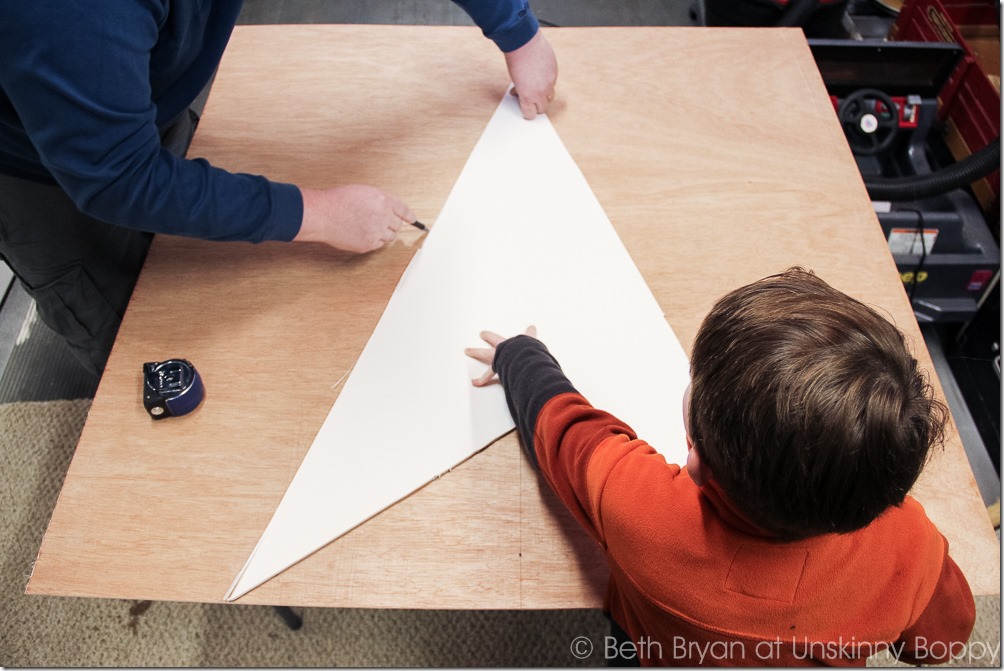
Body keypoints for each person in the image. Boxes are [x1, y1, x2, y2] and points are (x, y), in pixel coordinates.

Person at [0, 0, 557, 376]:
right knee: (140, 345)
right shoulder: (67, 13)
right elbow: (118, 177)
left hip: (135, 102)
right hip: (39, 175)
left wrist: (517, 30)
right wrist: (317, 213)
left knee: (189, 257)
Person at [465, 268, 975, 666]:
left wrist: (518, 354)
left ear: (696, 461)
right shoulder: (909, 545)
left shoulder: (637, 507)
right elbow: (941, 641)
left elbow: (561, 426)